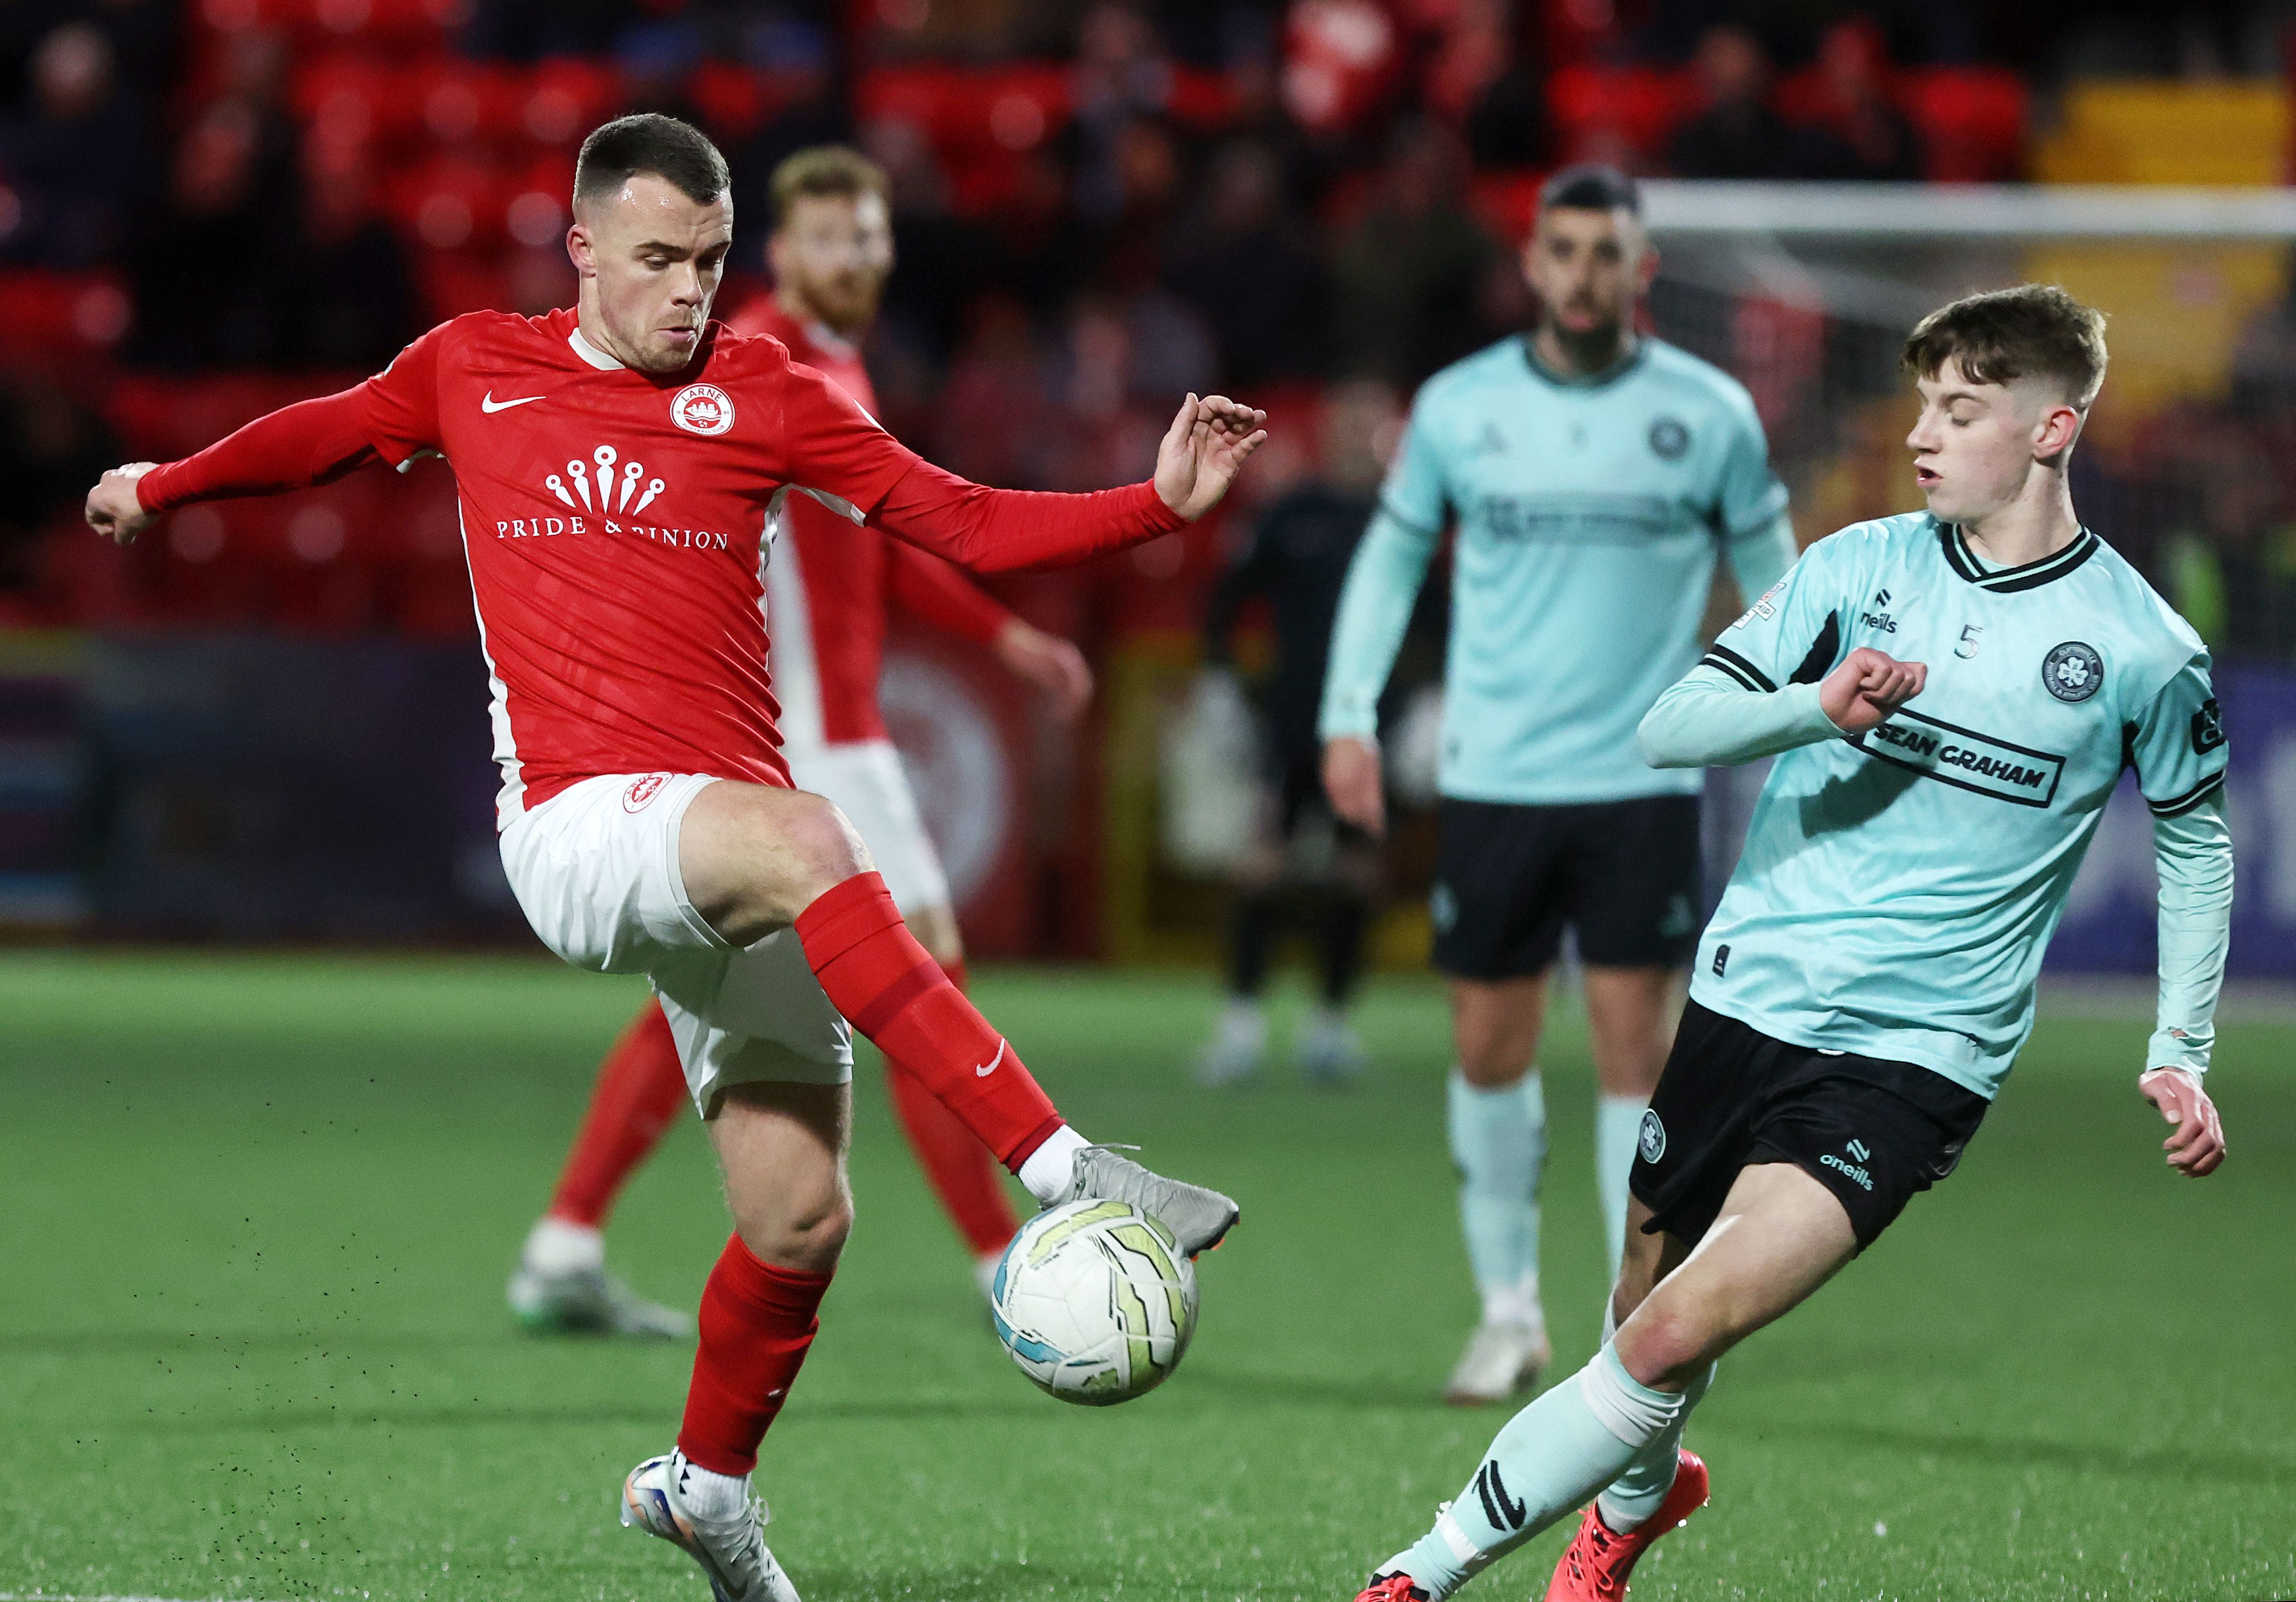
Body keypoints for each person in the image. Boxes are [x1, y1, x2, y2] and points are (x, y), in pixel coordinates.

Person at [83, 112, 1263, 1602]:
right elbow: (317, 437)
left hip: (723, 844)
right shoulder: (471, 366)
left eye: (710, 262)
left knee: (800, 1219)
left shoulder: (766, 390)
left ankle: (707, 1490)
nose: (689, 293)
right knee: (811, 835)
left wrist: (1153, 504)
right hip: (580, 826)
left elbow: (958, 520)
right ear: (581, 251)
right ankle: (1069, 1165)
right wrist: (167, 484)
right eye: (656, 261)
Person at [1352, 283, 2232, 1602]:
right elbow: (1669, 726)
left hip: (1913, 1059)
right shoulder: (1851, 572)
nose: (1922, 435)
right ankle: (1636, 1511)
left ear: (2053, 429)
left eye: (1961, 411)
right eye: (1922, 406)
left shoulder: (2141, 650)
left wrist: (2180, 1047)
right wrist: (1816, 712)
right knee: (1639, 1314)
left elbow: (2195, 842)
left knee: (1674, 1329)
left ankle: (1418, 1573)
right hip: (1745, 998)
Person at [507, 144, 1098, 1337]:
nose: (854, 257)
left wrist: (1003, 636)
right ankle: (1003, 1259)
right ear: (779, 250)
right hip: (798, 743)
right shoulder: (746, 359)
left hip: (829, 735)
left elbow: (871, 543)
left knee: (716, 993)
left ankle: (565, 1239)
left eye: (869, 236)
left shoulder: (831, 363)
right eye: (828, 237)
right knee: (920, 970)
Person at [1319, 164, 1797, 1404]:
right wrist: (1346, 716)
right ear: (1533, 265)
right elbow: (1388, 562)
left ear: (1643, 271)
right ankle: (1505, 1311)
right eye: (1565, 251)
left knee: (1638, 1048)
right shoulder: (1459, 408)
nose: (1584, 274)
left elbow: (1779, 577)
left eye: (1609, 254)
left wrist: (1797, 711)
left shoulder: (1710, 414)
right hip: (1494, 780)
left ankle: (1626, 1318)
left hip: (1644, 776)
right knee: (1489, 1048)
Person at [1196, 379, 1412, 1086]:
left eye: (1372, 424)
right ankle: (1241, 1021)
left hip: (1374, 724)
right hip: (1290, 720)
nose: (1360, 436)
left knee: (1356, 877)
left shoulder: (1405, 521)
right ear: (1328, 429)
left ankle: (1330, 1024)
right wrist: (1223, 682)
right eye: (1349, 422)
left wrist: (1436, 697)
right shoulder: (1293, 513)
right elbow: (1227, 600)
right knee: (1264, 866)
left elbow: (1440, 619)